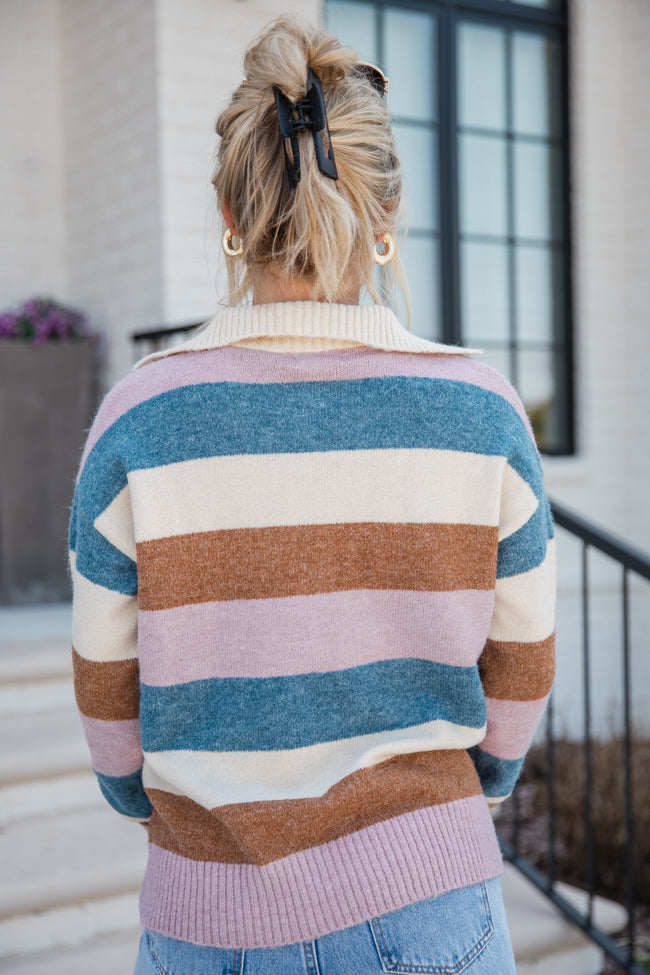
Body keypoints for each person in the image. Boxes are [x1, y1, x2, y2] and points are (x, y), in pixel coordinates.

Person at [69, 16, 555, 975]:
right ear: (387, 216)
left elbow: (107, 692)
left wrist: (143, 799)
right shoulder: (483, 411)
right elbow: (521, 672)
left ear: (228, 211)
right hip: (436, 907)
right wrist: (481, 780)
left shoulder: (135, 421)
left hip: (206, 920)